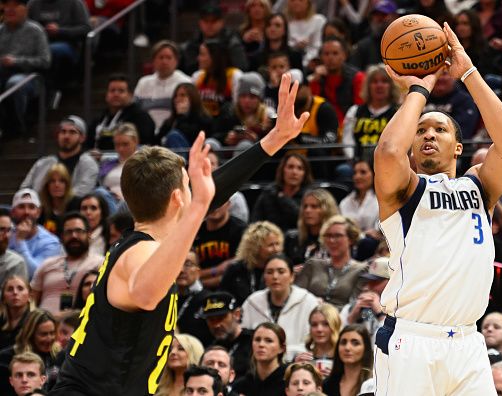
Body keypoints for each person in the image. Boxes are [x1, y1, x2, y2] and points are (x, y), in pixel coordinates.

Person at [50, 72, 310, 395]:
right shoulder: (140, 253)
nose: (198, 194)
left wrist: (274, 139)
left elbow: (212, 192)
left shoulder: (141, 241)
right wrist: (199, 206)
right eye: (189, 187)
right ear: (177, 200)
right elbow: (146, 294)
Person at [372, 21, 502, 395]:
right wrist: (419, 89)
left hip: (468, 343)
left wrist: (467, 71)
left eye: (439, 130)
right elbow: (389, 151)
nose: (428, 135)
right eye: (421, 130)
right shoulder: (405, 189)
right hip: (411, 338)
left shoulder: (479, 185)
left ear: (458, 146)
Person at [241, 254, 319, 359]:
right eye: (269, 272)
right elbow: (244, 340)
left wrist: (289, 353)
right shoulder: (252, 302)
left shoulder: (308, 301)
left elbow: (314, 342)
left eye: (281, 272)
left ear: (292, 277)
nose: (275, 277)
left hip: (297, 364)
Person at [30, 212, 102, 315]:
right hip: (45, 326)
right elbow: (32, 300)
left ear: (89, 234)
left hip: (82, 324)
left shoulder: (100, 263)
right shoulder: (47, 264)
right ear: (61, 237)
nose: (74, 236)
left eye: (79, 231)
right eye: (68, 232)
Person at [0, 0, 50, 139]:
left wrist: (16, 61)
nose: (10, 9)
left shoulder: (35, 30)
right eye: (7, 5)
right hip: (3, 73)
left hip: (30, 76)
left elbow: (45, 61)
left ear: (25, 9)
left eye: (15, 5)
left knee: (14, 83)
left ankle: (17, 126)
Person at [295, 215, 367, 309]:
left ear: (351, 239)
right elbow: (296, 298)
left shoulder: (362, 270)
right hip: (308, 318)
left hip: (342, 321)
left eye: (338, 236)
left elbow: (354, 307)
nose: (332, 240)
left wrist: (321, 307)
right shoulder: (312, 265)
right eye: (328, 236)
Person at [21, 116, 98, 197]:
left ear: (82, 138)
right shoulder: (43, 162)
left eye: (72, 132)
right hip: (38, 207)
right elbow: (24, 189)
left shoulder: (89, 163)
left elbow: (83, 192)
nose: (66, 136)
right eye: (63, 132)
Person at [342, 64, 400, 160]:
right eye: (374, 82)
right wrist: (354, 159)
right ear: (368, 86)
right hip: (358, 162)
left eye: (384, 81)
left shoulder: (399, 112)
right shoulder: (354, 111)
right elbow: (347, 140)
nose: (379, 85)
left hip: (389, 161)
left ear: (392, 86)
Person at [219, 221, 284, 305]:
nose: (276, 249)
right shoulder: (236, 269)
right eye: (270, 245)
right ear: (255, 247)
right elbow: (223, 298)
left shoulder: (282, 269)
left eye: (277, 244)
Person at [0, 309, 62, 395]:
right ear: (30, 334)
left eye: (52, 333)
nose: (49, 338)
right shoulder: (7, 358)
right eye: (43, 334)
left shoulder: (60, 356)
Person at [87, 74, 156, 150]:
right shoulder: (100, 118)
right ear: (106, 95)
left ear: (130, 95)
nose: (116, 94)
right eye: (112, 90)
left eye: (121, 91)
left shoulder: (141, 117)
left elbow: (145, 145)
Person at [134, 40, 192, 130]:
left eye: (169, 58)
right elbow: (135, 112)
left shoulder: (186, 83)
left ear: (176, 61)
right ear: (153, 61)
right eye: (161, 57)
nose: (164, 61)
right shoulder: (143, 83)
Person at [309, 36, 365, 126]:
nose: (330, 58)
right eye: (326, 54)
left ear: (344, 55)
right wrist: (315, 81)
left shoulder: (357, 77)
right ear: (321, 57)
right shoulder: (317, 77)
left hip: (349, 126)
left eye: (335, 53)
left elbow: (360, 109)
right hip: (323, 127)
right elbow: (311, 108)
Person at [251, 153, 313, 232]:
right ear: (282, 170)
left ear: (305, 173)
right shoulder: (269, 193)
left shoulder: (310, 197)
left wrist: (283, 198)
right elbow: (255, 223)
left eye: (300, 168)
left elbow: (303, 220)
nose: (294, 172)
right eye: (290, 167)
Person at [199, 291, 253, 379]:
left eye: (221, 318)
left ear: (237, 314)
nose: (216, 325)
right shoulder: (210, 347)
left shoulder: (254, 342)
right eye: (211, 319)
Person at [194, 201, 246, 290]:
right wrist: (216, 270)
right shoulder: (195, 230)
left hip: (232, 290)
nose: (215, 207)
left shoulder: (241, 230)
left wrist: (200, 281)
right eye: (211, 202)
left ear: (229, 204)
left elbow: (238, 274)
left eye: (220, 202)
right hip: (198, 291)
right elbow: (188, 273)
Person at [9, 189, 62, 276]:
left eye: (31, 207)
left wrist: (20, 241)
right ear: (13, 212)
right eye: (21, 207)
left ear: (38, 212)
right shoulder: (5, 235)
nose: (26, 212)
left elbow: (35, 275)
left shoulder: (51, 242)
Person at [284, 189, 339, 266]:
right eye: (305, 206)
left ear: (327, 210)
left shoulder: (337, 240)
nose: (307, 210)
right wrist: (291, 271)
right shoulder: (292, 239)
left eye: (314, 206)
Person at [231, 322, 288, 396]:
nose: (261, 345)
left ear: (281, 348)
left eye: (268, 340)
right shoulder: (241, 385)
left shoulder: (290, 380)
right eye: (257, 340)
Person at [340, 256, 389, 338]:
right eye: (369, 280)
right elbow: (336, 339)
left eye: (376, 281)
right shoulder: (353, 306)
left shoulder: (400, 310)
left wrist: (381, 315)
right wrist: (352, 317)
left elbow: (384, 345)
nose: (369, 286)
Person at [96, 123, 139, 213]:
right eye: (117, 145)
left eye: (125, 144)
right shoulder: (108, 164)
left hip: (131, 204)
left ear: (135, 141)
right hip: (107, 201)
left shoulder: (143, 164)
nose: (121, 149)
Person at [158, 83, 213, 151]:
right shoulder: (169, 121)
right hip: (167, 156)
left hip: (192, 155)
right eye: (175, 96)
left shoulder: (204, 120)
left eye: (182, 95)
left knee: (174, 136)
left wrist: (182, 116)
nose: (177, 99)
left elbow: (193, 138)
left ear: (193, 98)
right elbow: (158, 140)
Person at [322, 324, 372, 396]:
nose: (347, 348)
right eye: (343, 342)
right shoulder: (327, 385)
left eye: (355, 343)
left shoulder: (373, 384)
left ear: (366, 348)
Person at [349, 2, 398, 72]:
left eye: (384, 14)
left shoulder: (404, 43)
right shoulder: (363, 46)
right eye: (376, 15)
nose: (379, 19)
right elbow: (353, 73)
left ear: (395, 17)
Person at [338, 159, 379, 233]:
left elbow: (377, 232)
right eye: (354, 173)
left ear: (374, 173)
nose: (357, 176)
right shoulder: (345, 202)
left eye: (363, 172)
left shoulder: (381, 201)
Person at [38, 164, 80, 235]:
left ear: (67, 185)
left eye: (61, 181)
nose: (56, 185)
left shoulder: (76, 204)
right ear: (47, 185)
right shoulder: (42, 208)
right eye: (52, 181)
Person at [0, 275, 32, 350]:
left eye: (20, 289)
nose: (15, 292)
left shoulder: (35, 321)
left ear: (29, 296)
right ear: (3, 298)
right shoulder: (1, 321)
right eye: (10, 289)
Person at [0, 209, 27, 285]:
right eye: (1, 229)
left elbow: (14, 295)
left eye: (9, 230)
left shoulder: (16, 263)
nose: (6, 236)